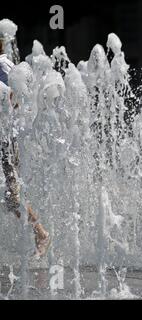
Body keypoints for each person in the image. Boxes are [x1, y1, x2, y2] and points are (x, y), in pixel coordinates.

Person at [0, 37, 50, 258]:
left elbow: (21, 96)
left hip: (5, 142)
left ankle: (41, 234)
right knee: (10, 198)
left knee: (12, 197)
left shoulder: (4, 65)